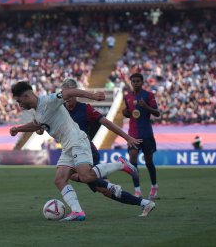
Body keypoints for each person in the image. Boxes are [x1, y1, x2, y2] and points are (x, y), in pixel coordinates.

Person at [10, 81, 140, 221]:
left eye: (19, 101)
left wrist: (93, 96)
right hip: (67, 146)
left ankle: (121, 164)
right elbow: (36, 125)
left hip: (77, 140)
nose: (19, 104)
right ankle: (77, 212)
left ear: (26, 95)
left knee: (86, 176)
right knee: (60, 180)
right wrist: (18, 129)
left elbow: (69, 92)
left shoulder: (48, 101)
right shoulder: (38, 113)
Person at [61, 78, 155, 216]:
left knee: (65, 177)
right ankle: (144, 203)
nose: (68, 97)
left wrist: (127, 137)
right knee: (103, 190)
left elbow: (106, 122)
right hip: (71, 152)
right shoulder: (59, 110)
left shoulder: (85, 109)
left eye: (71, 94)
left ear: (77, 94)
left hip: (87, 152)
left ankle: (119, 167)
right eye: (65, 94)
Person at [122, 73, 160, 200]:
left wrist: (146, 106)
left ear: (142, 82)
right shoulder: (127, 97)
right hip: (133, 134)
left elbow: (157, 113)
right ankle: (137, 190)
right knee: (133, 159)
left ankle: (154, 186)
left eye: (138, 81)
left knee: (149, 161)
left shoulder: (149, 95)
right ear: (131, 82)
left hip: (147, 133)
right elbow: (130, 114)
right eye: (133, 81)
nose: (136, 83)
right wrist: (125, 113)